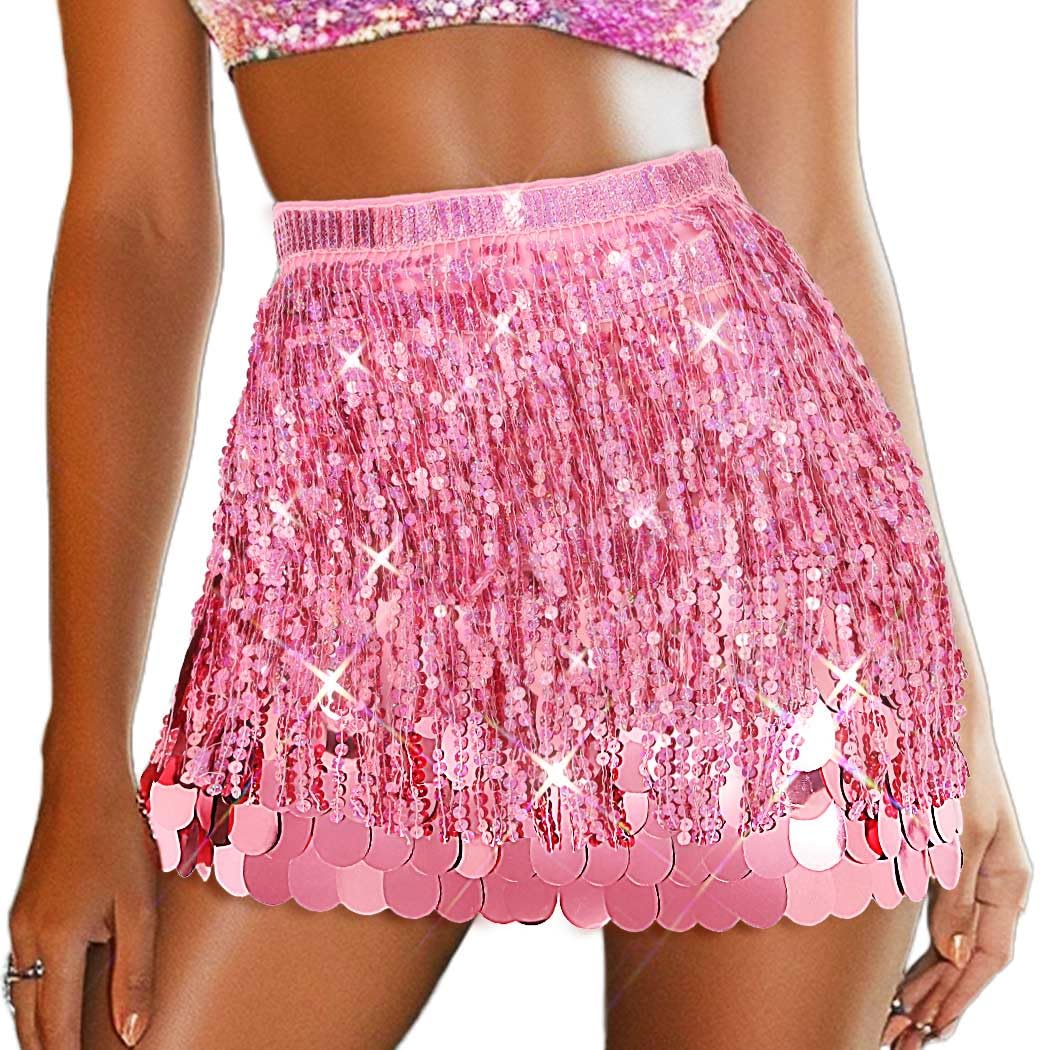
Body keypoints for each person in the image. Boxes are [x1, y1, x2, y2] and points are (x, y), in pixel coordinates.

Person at [6, 1, 1031, 1048]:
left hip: (754, 551)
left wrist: (962, 709)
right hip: (366, 559)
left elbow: (813, 219)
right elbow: (136, 230)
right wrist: (80, 751)